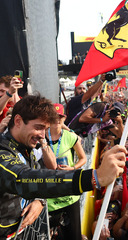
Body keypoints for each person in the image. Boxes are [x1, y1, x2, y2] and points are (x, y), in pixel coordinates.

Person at [0, 94, 126, 239]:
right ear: (18, 121)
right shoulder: (3, 152)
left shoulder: (25, 147)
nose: (42, 135)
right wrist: (94, 177)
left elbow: (37, 177)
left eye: (45, 129)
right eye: (38, 127)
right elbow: (23, 178)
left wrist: (39, 199)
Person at [42, 103, 87, 240]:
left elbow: (83, 158)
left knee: (74, 236)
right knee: (55, 236)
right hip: (50, 197)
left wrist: (72, 168)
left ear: (64, 118)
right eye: (53, 117)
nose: (57, 120)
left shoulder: (70, 136)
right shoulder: (41, 136)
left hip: (69, 195)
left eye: (60, 117)